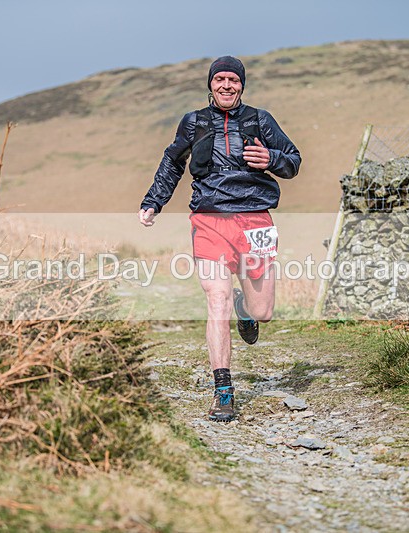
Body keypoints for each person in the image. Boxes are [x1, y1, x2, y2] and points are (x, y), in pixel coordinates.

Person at [138, 56, 301, 422]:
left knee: (263, 311)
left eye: (233, 80)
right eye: (220, 79)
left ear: (242, 85)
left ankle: (247, 309)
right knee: (217, 299)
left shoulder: (260, 120)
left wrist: (271, 157)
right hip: (209, 219)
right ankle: (223, 390)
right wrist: (154, 201)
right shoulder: (193, 122)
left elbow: (293, 160)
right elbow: (172, 163)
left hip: (255, 219)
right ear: (210, 84)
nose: (227, 85)